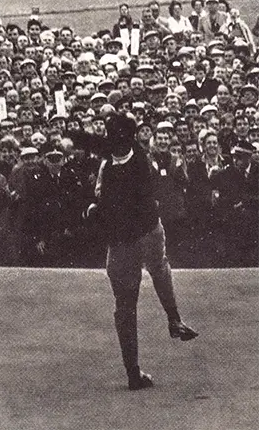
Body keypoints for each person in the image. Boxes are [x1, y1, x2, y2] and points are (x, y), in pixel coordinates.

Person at [85, 113, 198, 390]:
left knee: (155, 270)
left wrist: (96, 211)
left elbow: (113, 201)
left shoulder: (137, 163)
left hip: (140, 232)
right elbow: (104, 196)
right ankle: (137, 367)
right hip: (127, 237)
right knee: (128, 303)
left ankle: (173, 320)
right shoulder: (116, 161)